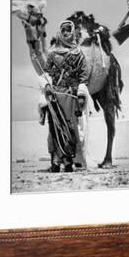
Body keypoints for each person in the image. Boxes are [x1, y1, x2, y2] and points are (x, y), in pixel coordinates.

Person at [40, 20, 90, 172]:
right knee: (55, 128)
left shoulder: (79, 54)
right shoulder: (52, 53)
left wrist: (80, 91)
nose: (67, 32)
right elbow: (46, 72)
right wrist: (47, 85)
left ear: (73, 32)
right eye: (64, 30)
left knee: (70, 128)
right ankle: (56, 161)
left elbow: (84, 75)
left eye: (69, 30)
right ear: (60, 32)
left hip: (70, 96)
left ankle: (70, 161)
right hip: (54, 97)